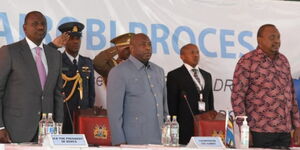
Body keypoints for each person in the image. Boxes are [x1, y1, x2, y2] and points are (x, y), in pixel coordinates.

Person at [231, 24, 300, 148]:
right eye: (272, 37)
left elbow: (292, 96)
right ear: (259, 40)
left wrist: (298, 125)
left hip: (284, 131)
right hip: (259, 131)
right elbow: (237, 97)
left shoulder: (283, 61)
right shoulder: (248, 61)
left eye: (278, 37)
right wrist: (243, 129)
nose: (277, 41)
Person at [0, 11, 63, 143]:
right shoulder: (9, 52)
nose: (40, 27)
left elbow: (57, 94)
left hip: (48, 132)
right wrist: (0, 126)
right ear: (24, 28)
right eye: (35, 24)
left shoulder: (55, 55)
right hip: (15, 129)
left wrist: (59, 125)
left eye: (43, 24)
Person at [107, 33, 168, 145]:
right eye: (143, 44)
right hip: (133, 142)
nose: (148, 48)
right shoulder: (118, 72)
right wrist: (119, 142)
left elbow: (164, 109)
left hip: (160, 141)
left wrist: (167, 137)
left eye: (149, 44)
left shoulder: (159, 71)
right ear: (132, 48)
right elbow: (114, 113)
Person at [167, 43, 215, 145]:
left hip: (204, 127)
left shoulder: (207, 75)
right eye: (192, 52)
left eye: (197, 52)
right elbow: (172, 104)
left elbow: (210, 102)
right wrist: (173, 129)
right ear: (182, 56)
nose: (196, 55)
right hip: (185, 126)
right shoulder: (174, 75)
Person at [55, 22, 95, 134]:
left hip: (83, 116)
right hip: (63, 116)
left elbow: (91, 93)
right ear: (64, 39)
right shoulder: (57, 60)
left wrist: (89, 112)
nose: (76, 41)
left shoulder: (87, 62)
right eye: (72, 38)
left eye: (78, 38)